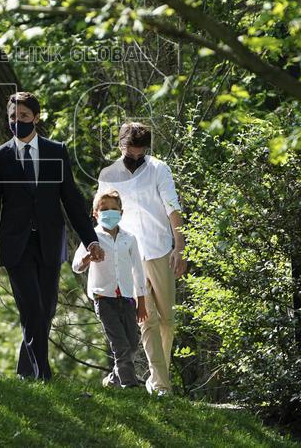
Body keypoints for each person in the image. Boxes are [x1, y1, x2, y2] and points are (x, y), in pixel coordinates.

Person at [0, 91, 104, 381]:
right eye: (13, 117)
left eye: (23, 117)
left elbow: (72, 201)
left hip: (49, 242)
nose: (17, 122)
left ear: (36, 118)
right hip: (15, 245)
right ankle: (43, 375)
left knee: (46, 309)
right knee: (32, 307)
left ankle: (26, 371)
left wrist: (91, 240)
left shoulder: (56, 151)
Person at [97, 122, 186, 395]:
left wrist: (180, 247)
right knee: (147, 320)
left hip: (159, 249)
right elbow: (101, 212)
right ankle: (161, 384)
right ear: (120, 146)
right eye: (129, 152)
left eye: (140, 153)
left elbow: (173, 207)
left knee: (168, 319)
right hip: (127, 253)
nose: (134, 158)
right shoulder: (109, 174)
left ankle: (155, 375)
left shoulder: (159, 169)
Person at [72, 189, 149, 389]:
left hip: (127, 298)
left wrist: (142, 302)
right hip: (103, 299)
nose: (109, 213)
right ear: (95, 213)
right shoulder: (91, 239)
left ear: (121, 213)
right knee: (120, 346)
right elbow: (76, 267)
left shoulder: (129, 239)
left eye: (114, 209)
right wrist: (89, 257)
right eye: (104, 209)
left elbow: (138, 272)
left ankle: (113, 379)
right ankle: (129, 386)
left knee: (132, 344)